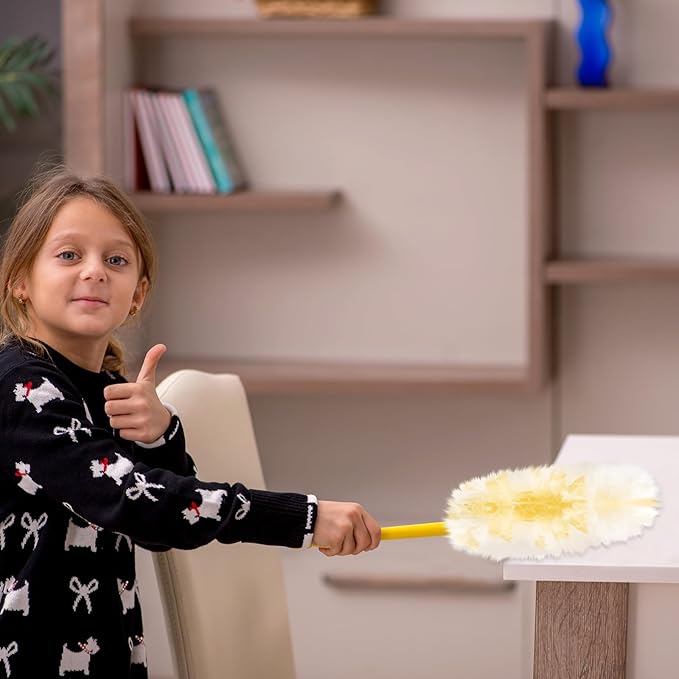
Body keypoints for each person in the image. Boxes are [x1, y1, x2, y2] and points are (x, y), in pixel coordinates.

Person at [0, 169, 381, 678]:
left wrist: (159, 434)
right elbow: (140, 502)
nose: (95, 272)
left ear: (137, 293)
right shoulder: (21, 389)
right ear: (20, 281)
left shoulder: (108, 389)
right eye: (69, 255)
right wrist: (302, 518)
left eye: (116, 260)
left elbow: (162, 533)